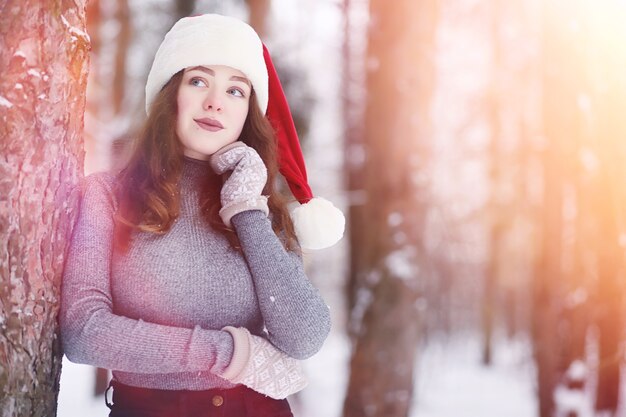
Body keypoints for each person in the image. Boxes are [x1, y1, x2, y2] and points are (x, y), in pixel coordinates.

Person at [60, 13, 344, 417]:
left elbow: (304, 336)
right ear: (169, 92)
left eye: (235, 91)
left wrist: (246, 208)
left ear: (249, 112)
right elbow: (84, 332)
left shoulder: (259, 207)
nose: (215, 101)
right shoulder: (107, 195)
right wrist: (225, 352)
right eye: (198, 81)